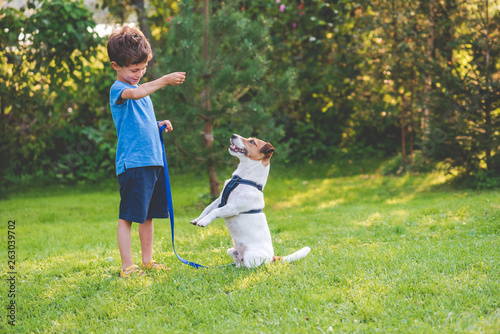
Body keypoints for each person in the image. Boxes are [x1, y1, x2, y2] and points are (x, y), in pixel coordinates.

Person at [107, 25, 186, 278]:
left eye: (143, 68)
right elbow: (135, 92)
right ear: (116, 66)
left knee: (148, 216)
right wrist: (162, 80)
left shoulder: (143, 92)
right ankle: (127, 266)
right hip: (134, 163)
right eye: (133, 69)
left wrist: (157, 125)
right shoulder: (119, 90)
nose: (139, 74)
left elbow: (138, 123)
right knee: (128, 217)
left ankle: (147, 260)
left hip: (153, 161)